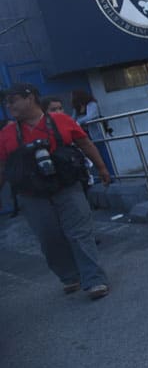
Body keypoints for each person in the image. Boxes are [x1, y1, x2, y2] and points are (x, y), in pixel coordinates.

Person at [0, 83, 111, 300]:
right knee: (49, 237)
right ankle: (70, 276)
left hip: (66, 186)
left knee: (80, 232)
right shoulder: (6, 134)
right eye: (6, 102)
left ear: (29, 98)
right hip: (32, 195)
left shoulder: (61, 121)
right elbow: (2, 168)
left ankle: (94, 279)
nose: (8, 105)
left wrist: (102, 168)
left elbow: (85, 143)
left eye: (13, 100)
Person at [72, 89, 115, 178]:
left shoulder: (92, 104)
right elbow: (72, 120)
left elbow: (91, 116)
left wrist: (79, 122)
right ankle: (97, 177)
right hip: (84, 136)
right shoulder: (76, 108)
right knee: (90, 158)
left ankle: (111, 176)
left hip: (95, 134)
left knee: (103, 155)